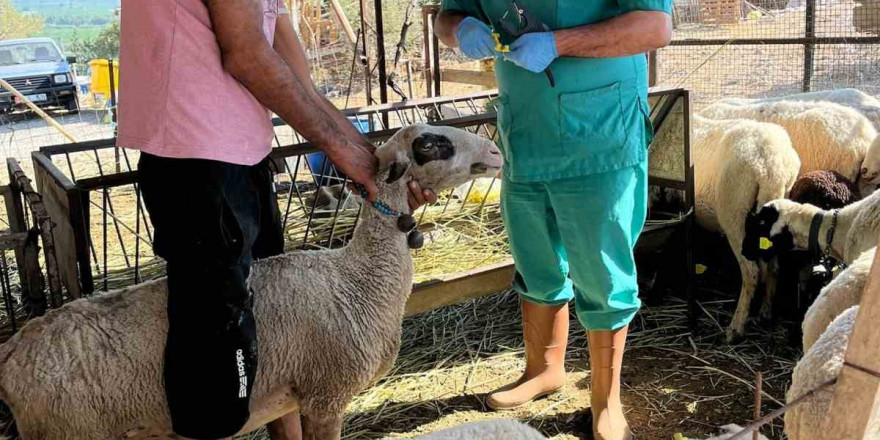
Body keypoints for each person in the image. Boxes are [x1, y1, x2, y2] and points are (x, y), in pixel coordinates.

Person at [118, 1, 435, 439]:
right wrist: (346, 154)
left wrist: (376, 167)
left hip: (245, 155)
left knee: (269, 324)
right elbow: (247, 52)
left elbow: (298, 78)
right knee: (216, 341)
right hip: (195, 156)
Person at [434, 2, 672, 440]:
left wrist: (560, 43)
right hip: (524, 131)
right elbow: (447, 18)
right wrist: (461, 28)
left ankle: (605, 399)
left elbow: (654, 27)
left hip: (598, 134)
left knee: (602, 269)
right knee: (534, 256)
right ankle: (543, 369)